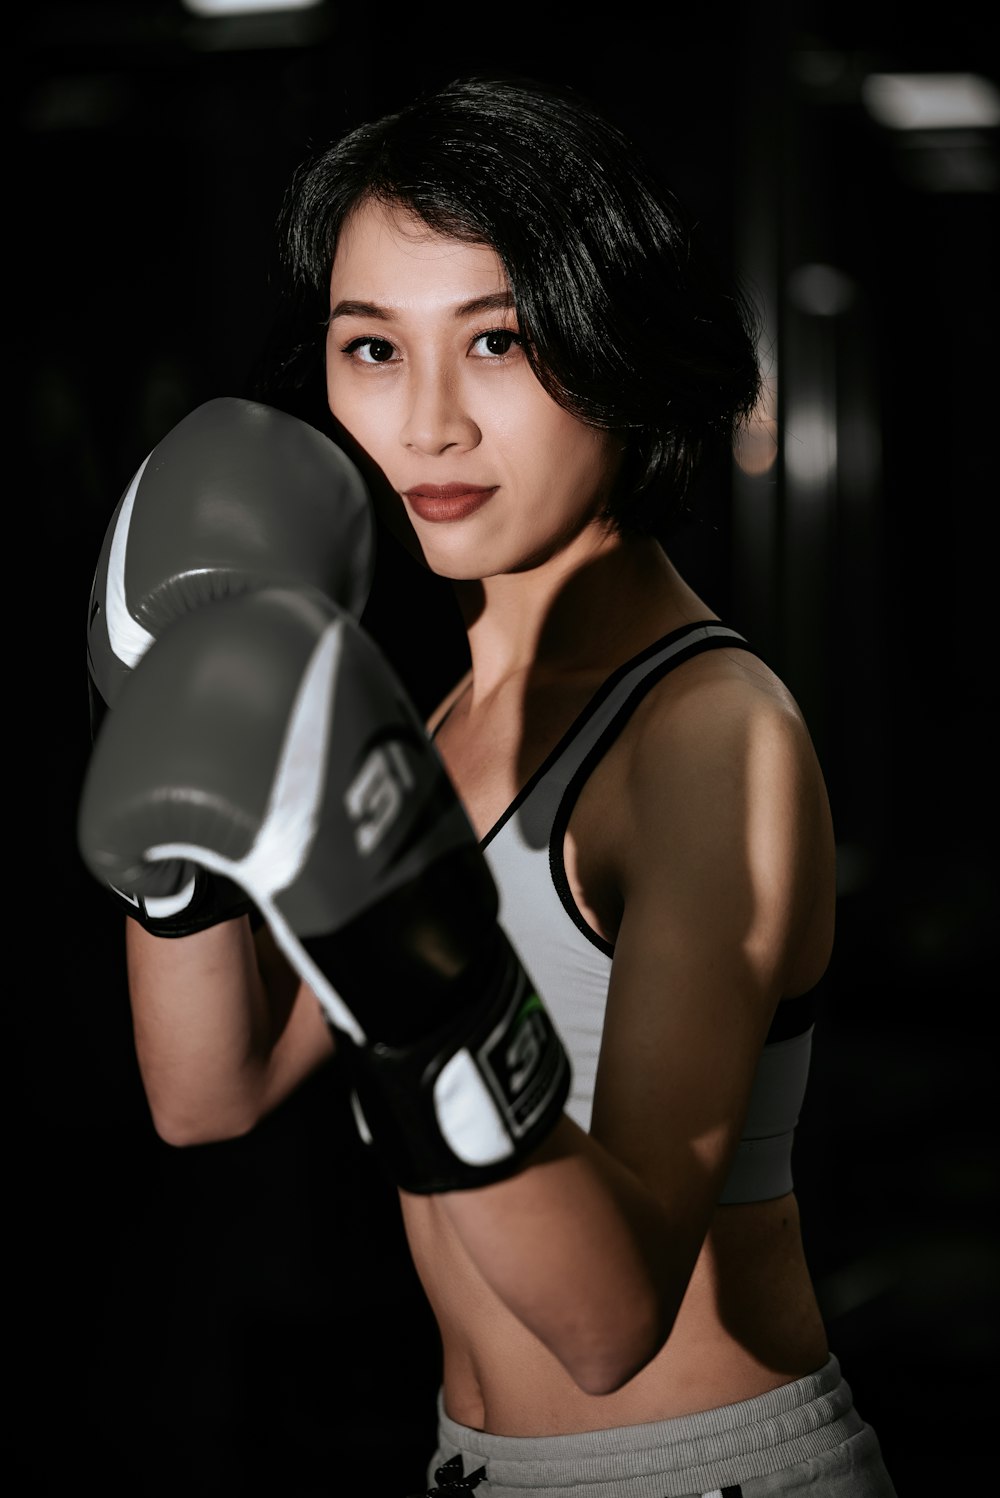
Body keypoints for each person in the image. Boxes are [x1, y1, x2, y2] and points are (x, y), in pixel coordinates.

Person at [77, 75, 898, 1497]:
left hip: (700, 1469)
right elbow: (206, 1093)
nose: (430, 423)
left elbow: (608, 1319)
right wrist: (175, 860)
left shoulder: (710, 733)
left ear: (613, 340)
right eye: (373, 349)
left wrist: (414, 966)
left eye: (499, 339)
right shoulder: (446, 717)